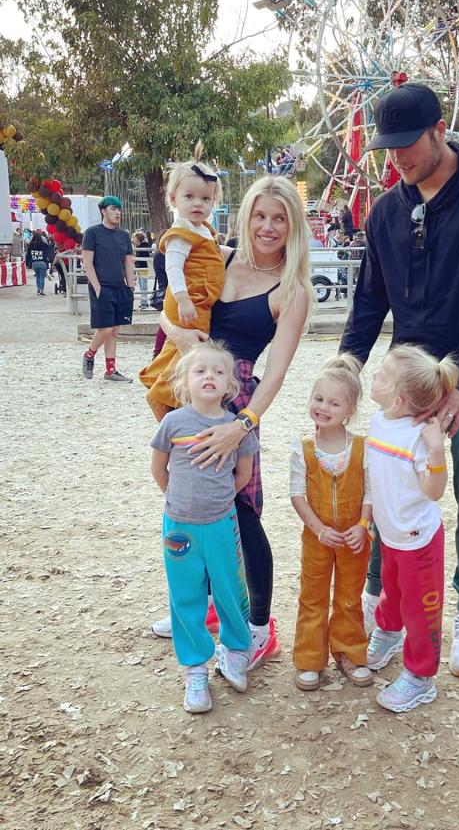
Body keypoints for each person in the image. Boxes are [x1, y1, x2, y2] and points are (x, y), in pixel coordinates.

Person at [341, 82, 459, 680]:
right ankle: (387, 613)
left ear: (439, 128)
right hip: (406, 387)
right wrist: (346, 369)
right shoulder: (385, 211)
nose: (397, 159)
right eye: (387, 149)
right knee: (389, 499)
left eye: (407, 144)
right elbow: (369, 299)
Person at [151, 175, 314, 671]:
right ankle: (207, 611)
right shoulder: (216, 256)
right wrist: (180, 338)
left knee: (241, 512)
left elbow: (278, 372)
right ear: (245, 216)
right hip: (193, 393)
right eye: (260, 215)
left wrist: (241, 425)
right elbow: (165, 314)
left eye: (279, 218)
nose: (267, 226)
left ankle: (262, 629)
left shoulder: (293, 289)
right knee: (191, 505)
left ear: (293, 225)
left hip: (238, 401)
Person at [151, 340, 259, 713]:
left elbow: (243, 475)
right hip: (178, 526)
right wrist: (180, 500)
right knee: (185, 595)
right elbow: (158, 469)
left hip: (221, 524)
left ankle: (235, 651)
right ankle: (195, 667)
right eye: (200, 371)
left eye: (218, 371)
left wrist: (216, 502)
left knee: (230, 590)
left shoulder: (236, 427)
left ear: (230, 384)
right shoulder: (173, 423)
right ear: (184, 381)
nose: (209, 376)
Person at [366, 345, 459, 712]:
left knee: (421, 610)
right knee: (391, 588)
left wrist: (436, 450)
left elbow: (434, 492)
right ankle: (388, 633)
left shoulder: (418, 437)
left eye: (383, 375)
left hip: (418, 541)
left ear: (401, 397)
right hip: (390, 534)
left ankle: (421, 676)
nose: (375, 375)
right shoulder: (378, 421)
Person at [290, 355, 373, 692]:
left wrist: (363, 526)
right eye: (318, 399)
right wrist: (318, 529)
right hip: (318, 538)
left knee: (350, 596)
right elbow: (297, 495)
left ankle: (350, 651)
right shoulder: (304, 447)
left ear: (349, 410)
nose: (323, 407)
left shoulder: (362, 447)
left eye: (334, 403)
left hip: (355, 537)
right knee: (312, 595)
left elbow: (371, 492)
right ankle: (310, 658)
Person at [139, 145, 225, 419]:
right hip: (189, 304)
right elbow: (173, 267)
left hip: (198, 303)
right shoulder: (181, 233)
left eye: (205, 198)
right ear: (174, 199)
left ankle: (167, 390)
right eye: (190, 197)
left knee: (177, 351)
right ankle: (165, 397)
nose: (198, 203)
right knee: (189, 356)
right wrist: (184, 298)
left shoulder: (204, 231)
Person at [81, 196, 136, 383]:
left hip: (120, 287)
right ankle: (89, 355)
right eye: (114, 208)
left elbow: (129, 263)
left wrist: (130, 286)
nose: (118, 212)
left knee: (114, 331)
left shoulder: (124, 235)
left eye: (119, 209)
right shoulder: (92, 233)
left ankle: (110, 370)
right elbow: (87, 263)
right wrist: (97, 288)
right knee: (105, 329)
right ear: (104, 211)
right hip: (102, 286)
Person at [133, 231, 151, 308]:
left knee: (143, 286)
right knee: (141, 285)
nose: (133, 239)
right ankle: (144, 301)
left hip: (143, 267)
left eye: (135, 238)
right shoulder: (138, 246)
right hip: (139, 267)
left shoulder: (143, 246)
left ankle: (144, 302)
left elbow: (144, 256)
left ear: (138, 239)